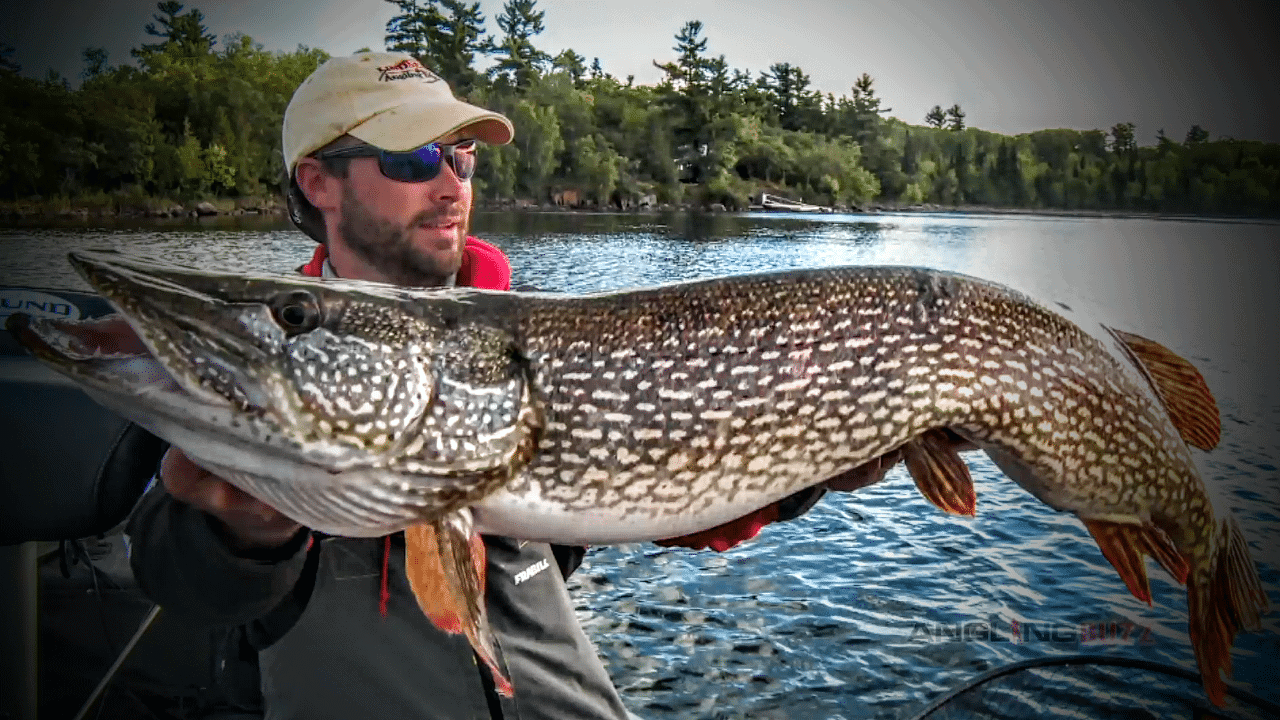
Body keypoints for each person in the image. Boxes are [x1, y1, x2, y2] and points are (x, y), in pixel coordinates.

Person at [125, 51, 904, 720]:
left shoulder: (536, 342)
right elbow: (185, 582)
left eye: (461, 158)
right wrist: (244, 531)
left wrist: (809, 468)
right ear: (319, 182)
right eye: (411, 159)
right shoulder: (265, 356)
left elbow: (675, 505)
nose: (450, 185)